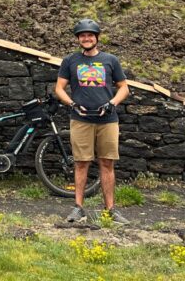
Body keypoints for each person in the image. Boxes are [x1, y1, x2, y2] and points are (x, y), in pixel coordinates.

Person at [53, 18, 130, 225]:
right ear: (78, 39)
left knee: (107, 163)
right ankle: (78, 208)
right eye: (82, 35)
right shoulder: (70, 61)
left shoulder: (111, 60)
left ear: (97, 37)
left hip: (108, 120)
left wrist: (112, 103)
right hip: (81, 119)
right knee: (81, 163)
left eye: (90, 35)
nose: (86, 38)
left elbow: (124, 87)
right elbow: (59, 88)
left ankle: (110, 209)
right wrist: (72, 104)